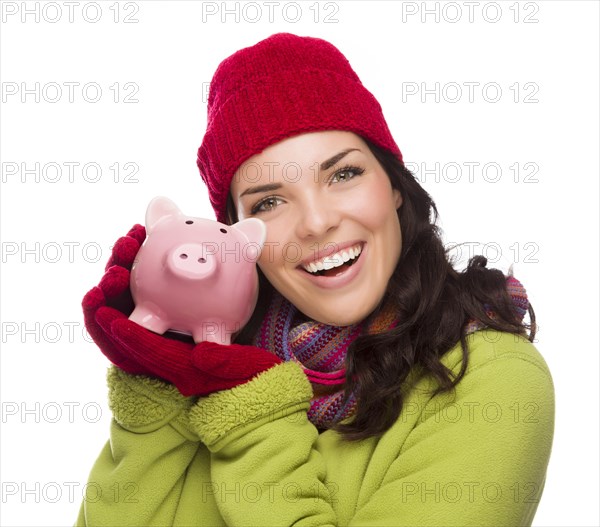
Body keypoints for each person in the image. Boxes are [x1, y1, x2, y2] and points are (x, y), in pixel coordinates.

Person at [76, 33, 555, 526]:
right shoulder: (207, 369)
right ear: (242, 240)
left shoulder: (491, 377)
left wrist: (254, 410)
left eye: (342, 174)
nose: (316, 222)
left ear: (393, 185)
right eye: (269, 202)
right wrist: (153, 387)